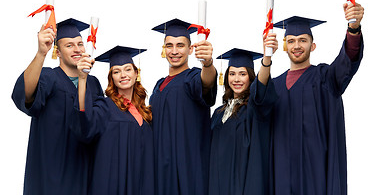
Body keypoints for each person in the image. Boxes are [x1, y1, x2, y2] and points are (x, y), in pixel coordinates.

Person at [271, 2, 364, 195]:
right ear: (284, 46)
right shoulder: (274, 86)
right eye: (291, 40)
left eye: (303, 40)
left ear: (312, 46)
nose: (297, 46)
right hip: (280, 176)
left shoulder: (325, 78)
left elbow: (347, 62)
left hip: (316, 175)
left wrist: (353, 29)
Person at [11, 18, 103, 195]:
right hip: (52, 173)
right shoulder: (48, 77)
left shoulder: (93, 84)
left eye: (80, 44)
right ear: (57, 52)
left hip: (85, 171)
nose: (77, 49)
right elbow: (26, 96)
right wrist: (41, 54)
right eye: (69, 45)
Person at [73, 46, 154, 195]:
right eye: (116, 72)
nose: (123, 75)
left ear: (136, 73)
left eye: (128, 69)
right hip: (112, 186)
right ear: (112, 78)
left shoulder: (145, 112)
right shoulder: (105, 106)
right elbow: (85, 124)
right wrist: (82, 79)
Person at [150, 18, 217, 195]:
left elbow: (207, 82)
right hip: (161, 169)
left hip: (188, 168)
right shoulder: (158, 85)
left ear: (190, 48)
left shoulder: (192, 77)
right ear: (163, 50)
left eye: (180, 45)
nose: (174, 51)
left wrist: (208, 63)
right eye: (169, 46)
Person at [209, 32, 279, 195]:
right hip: (217, 185)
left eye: (242, 74)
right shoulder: (218, 114)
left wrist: (266, 59)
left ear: (251, 78)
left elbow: (261, 90)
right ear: (226, 78)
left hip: (244, 185)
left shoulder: (254, 109)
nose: (237, 79)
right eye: (232, 74)